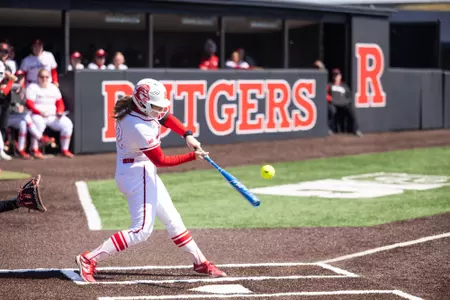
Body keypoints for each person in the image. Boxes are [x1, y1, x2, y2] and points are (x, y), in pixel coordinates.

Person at [76, 78, 227, 283]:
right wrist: (193, 156)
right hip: (138, 174)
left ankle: (200, 262)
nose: (159, 110)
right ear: (143, 103)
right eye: (155, 106)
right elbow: (161, 160)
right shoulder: (138, 126)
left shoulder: (135, 106)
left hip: (135, 169)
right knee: (141, 231)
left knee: (173, 219)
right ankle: (88, 259)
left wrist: (187, 135)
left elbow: (165, 118)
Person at [25, 69, 74, 158]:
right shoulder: (33, 87)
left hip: (52, 115)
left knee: (67, 124)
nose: (44, 79)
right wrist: (39, 112)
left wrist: (60, 111)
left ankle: (65, 149)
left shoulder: (53, 88)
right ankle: (34, 149)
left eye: (46, 77)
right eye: (42, 77)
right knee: (38, 124)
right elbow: (29, 103)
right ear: (38, 78)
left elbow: (60, 103)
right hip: (37, 114)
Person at [8, 70, 55, 159]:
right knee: (25, 116)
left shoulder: (23, 90)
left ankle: (21, 149)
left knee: (23, 123)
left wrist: (21, 109)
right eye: (18, 78)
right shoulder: (9, 89)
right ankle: (40, 137)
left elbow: (26, 106)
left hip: (16, 117)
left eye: (22, 78)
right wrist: (15, 109)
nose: (20, 80)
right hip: (6, 117)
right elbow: (5, 105)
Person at [327, 69, 362, 137]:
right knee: (332, 110)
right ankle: (330, 129)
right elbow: (326, 94)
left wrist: (346, 102)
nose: (336, 77)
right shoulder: (330, 85)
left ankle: (355, 130)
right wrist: (331, 99)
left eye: (337, 75)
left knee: (351, 110)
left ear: (340, 76)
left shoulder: (344, 86)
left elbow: (349, 96)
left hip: (343, 104)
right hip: (333, 104)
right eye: (334, 75)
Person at [0, 42, 15, 160]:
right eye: (1, 51)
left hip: (5, 99)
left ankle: (1, 149)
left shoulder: (9, 66)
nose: (3, 54)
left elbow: (9, 85)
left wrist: (10, 81)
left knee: (3, 125)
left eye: (5, 52)